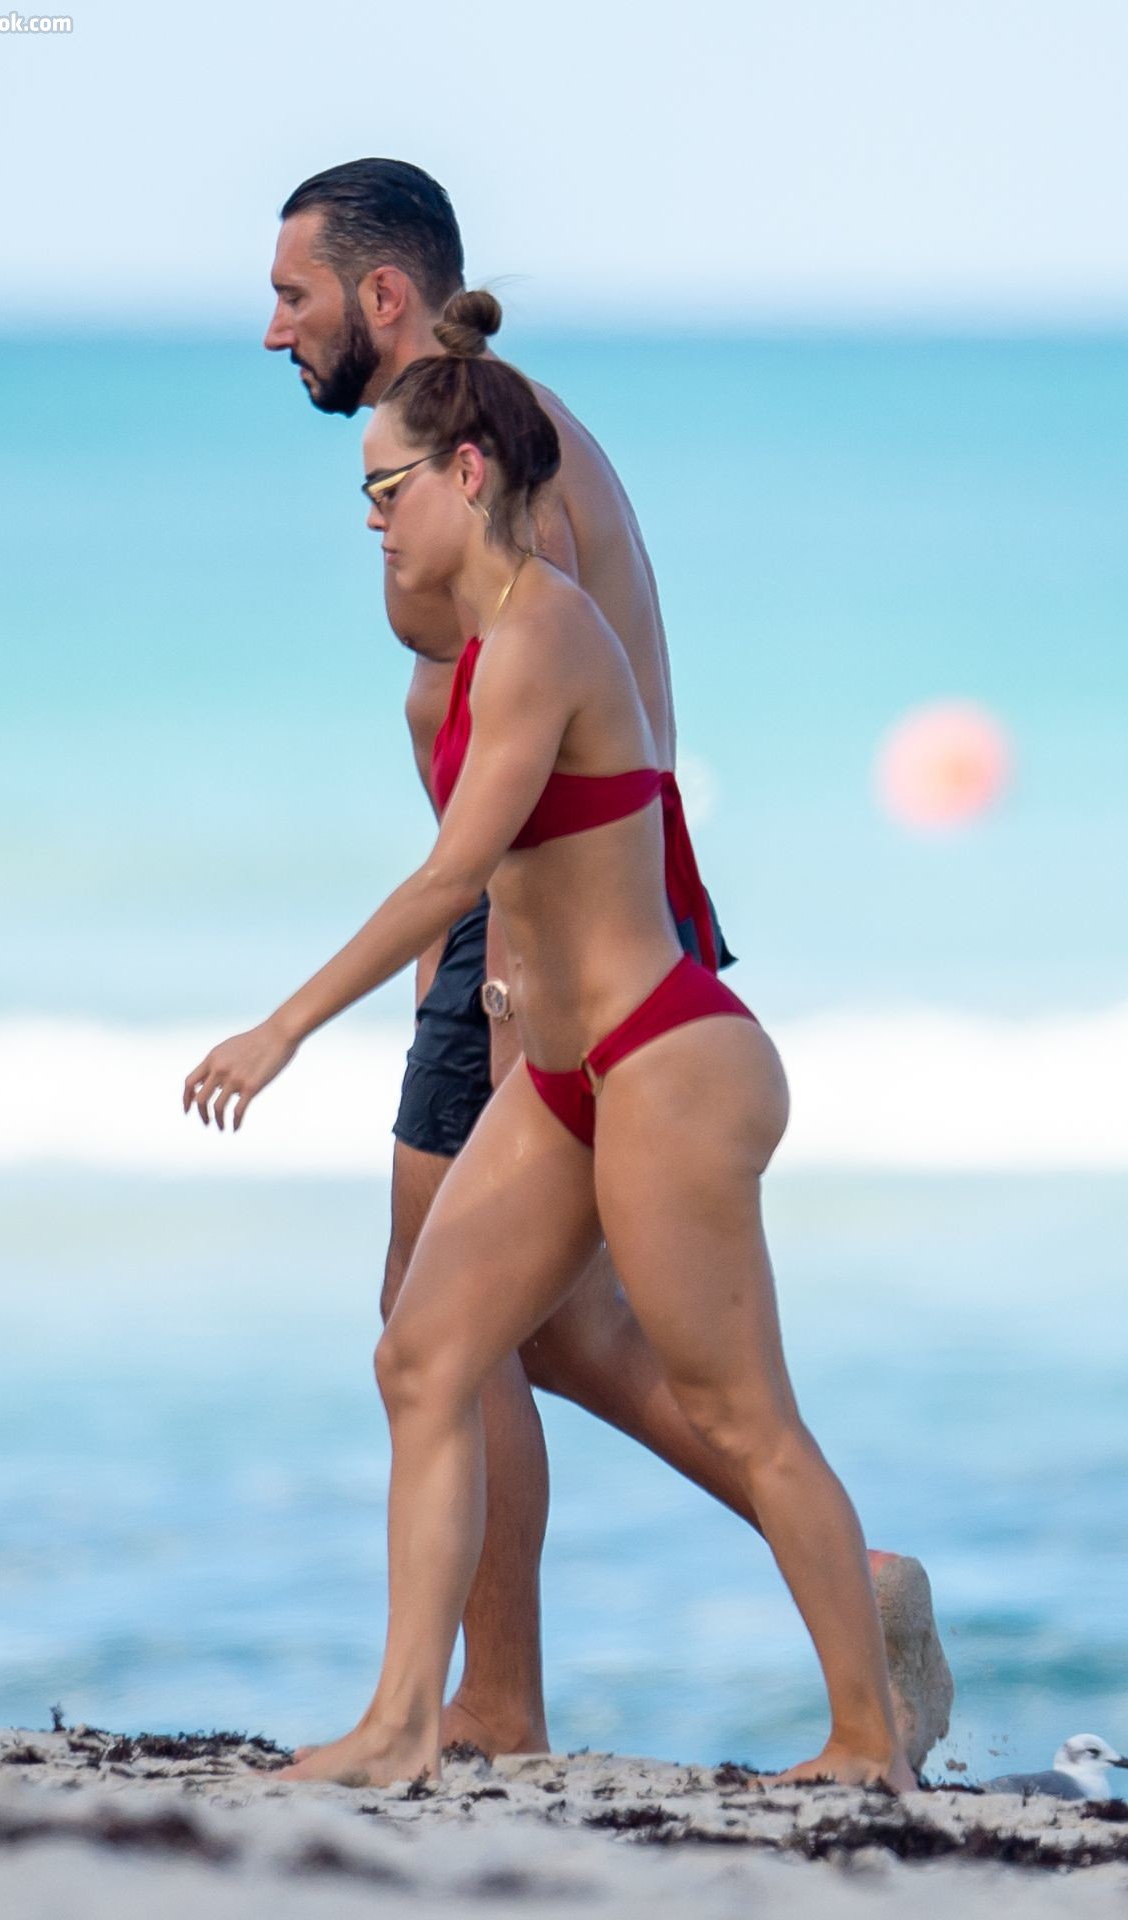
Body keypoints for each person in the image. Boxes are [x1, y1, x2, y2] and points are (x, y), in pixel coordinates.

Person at [254, 157, 951, 1770]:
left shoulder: (504, 466)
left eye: (294, 295)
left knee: (472, 1325)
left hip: (569, 946)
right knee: (499, 1331)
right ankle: (497, 1692)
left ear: (381, 295)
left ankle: (529, 1692)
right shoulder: (483, 450)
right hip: (535, 926)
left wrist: (477, 993)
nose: (275, 329)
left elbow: (537, 767)